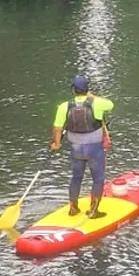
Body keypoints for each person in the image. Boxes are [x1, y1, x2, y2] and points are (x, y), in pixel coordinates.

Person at [50, 75, 114, 219]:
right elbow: (111, 105)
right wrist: (92, 96)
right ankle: (93, 211)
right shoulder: (97, 103)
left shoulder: (64, 106)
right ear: (87, 89)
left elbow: (57, 127)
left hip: (76, 149)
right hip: (94, 149)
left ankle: (73, 208)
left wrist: (56, 143)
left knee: (76, 177)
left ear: (73, 90)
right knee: (98, 179)